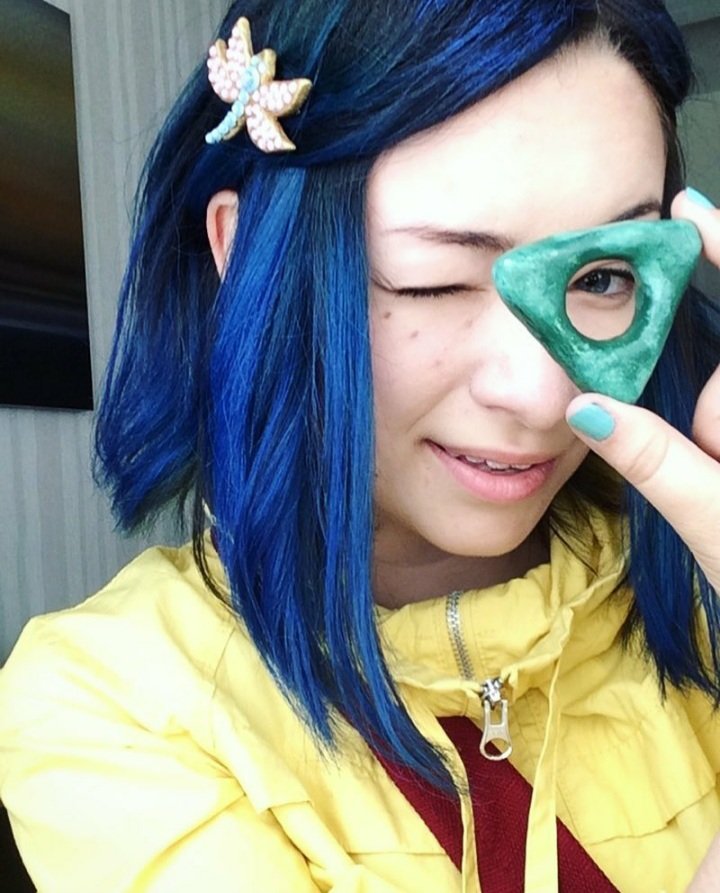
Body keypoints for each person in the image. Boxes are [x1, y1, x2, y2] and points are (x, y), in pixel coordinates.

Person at [1, 0, 720, 890]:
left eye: (604, 276)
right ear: (243, 250)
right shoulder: (114, 700)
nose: (544, 394)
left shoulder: (696, 593)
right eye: (434, 280)